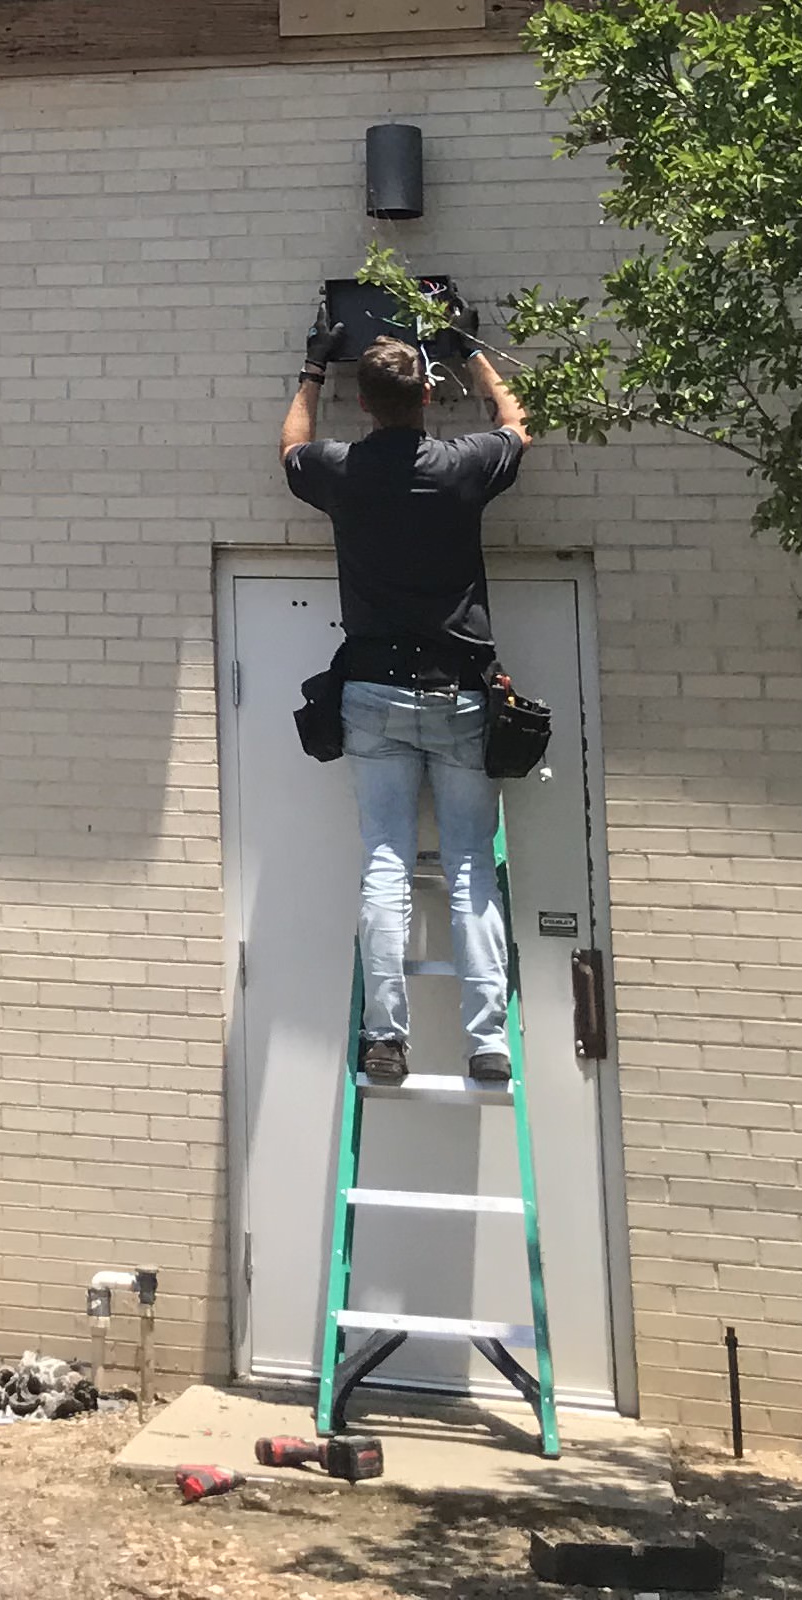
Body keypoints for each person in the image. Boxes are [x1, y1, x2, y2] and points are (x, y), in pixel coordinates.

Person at [277, 325, 531, 1087]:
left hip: (373, 693)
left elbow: (290, 447)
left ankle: (386, 1040)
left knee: (385, 863)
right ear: (426, 396)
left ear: (363, 401)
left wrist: (313, 365)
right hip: (457, 692)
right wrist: (472, 350)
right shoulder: (459, 467)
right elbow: (517, 426)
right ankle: (488, 1044)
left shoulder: (343, 471)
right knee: (468, 868)